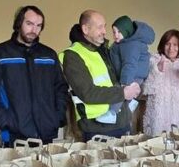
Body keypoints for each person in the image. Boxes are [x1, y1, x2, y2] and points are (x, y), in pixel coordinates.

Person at [0, 6, 69, 145]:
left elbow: (61, 88)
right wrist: (5, 121)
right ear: (18, 23)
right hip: (14, 135)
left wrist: (56, 117)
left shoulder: (49, 55)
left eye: (38, 26)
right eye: (29, 24)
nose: (34, 30)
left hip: (46, 132)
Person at [60, 10, 141, 140]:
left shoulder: (106, 50)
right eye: (99, 27)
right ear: (85, 29)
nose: (104, 31)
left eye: (104, 26)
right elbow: (87, 93)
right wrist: (123, 93)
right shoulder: (73, 55)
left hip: (122, 122)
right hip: (97, 128)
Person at [107, 15, 154, 121]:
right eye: (114, 32)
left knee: (120, 91)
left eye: (119, 32)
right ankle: (131, 104)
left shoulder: (131, 45)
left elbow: (130, 64)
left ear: (126, 31)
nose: (116, 35)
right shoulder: (123, 43)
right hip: (130, 74)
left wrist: (125, 83)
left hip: (133, 75)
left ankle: (111, 113)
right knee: (126, 94)